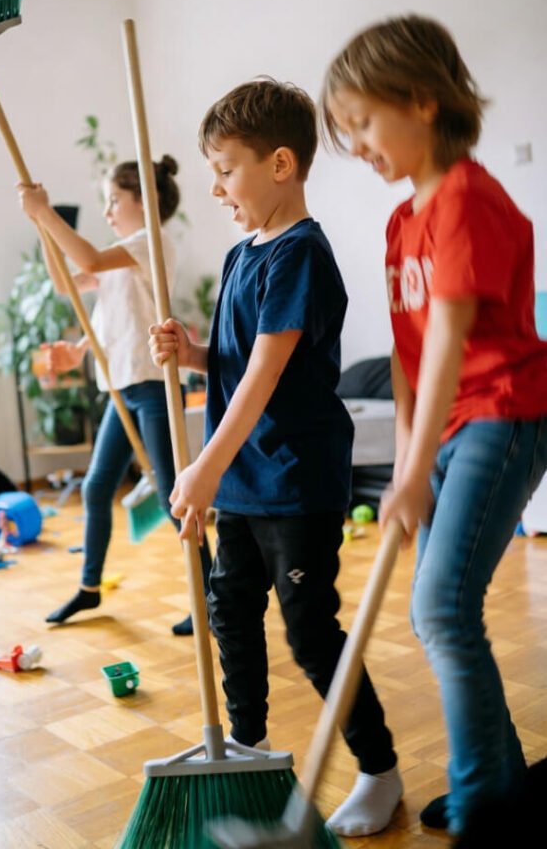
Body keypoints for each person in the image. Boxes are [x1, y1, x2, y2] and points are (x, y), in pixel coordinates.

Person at [149, 79, 402, 837]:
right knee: (230, 610)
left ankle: (380, 770)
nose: (216, 187)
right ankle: (248, 745)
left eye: (226, 169)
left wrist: (203, 466)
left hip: (295, 478)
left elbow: (264, 381)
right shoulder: (240, 254)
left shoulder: (301, 256)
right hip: (246, 478)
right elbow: (234, 361)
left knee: (310, 630)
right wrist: (192, 354)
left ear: (281, 163)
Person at [317, 14, 547, 838]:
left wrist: (413, 473)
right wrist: (411, 449)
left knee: (445, 609)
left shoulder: (467, 199)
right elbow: (412, 357)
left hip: (504, 413)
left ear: (421, 100)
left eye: (362, 123)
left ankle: (486, 799)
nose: (357, 146)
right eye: (344, 133)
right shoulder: (398, 223)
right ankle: (505, 781)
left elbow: (451, 334)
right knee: (433, 611)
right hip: (448, 424)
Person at [18, 155, 213, 636]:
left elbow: (86, 261)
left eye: (113, 200)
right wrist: (42, 226)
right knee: (96, 486)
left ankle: (212, 596)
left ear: (142, 202)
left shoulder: (151, 243)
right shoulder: (122, 254)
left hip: (151, 385)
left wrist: (48, 215)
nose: (106, 211)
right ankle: (89, 587)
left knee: (176, 495)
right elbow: (68, 283)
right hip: (122, 387)